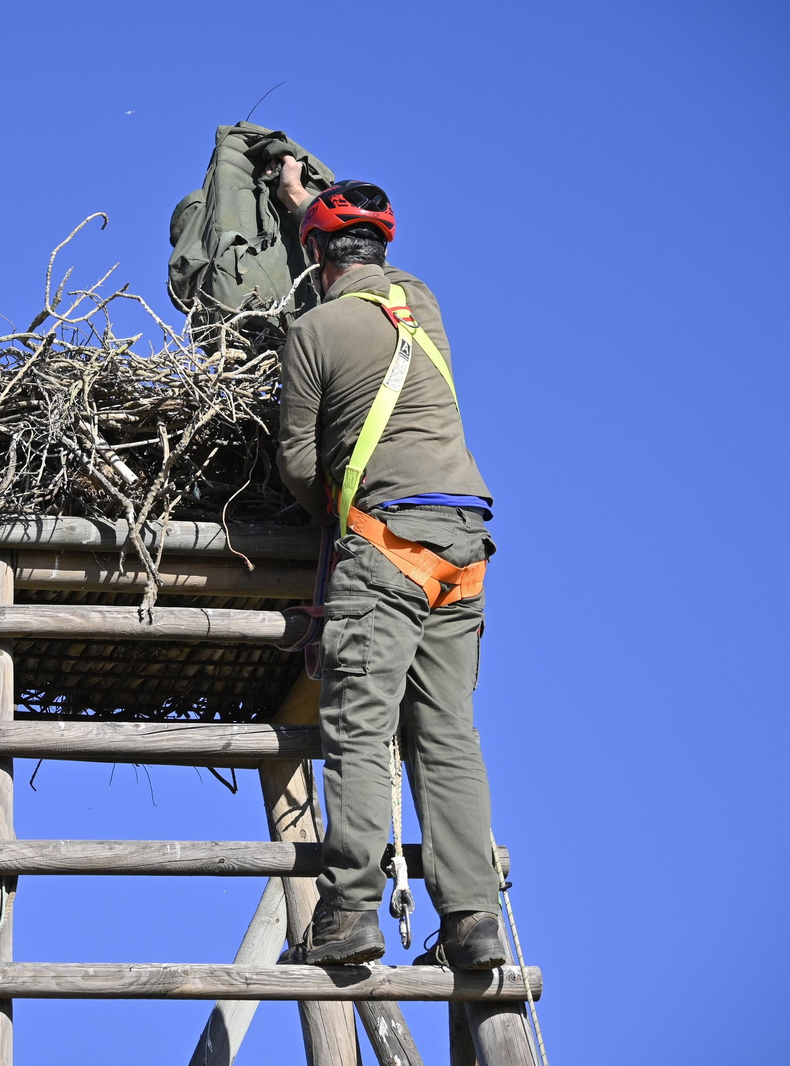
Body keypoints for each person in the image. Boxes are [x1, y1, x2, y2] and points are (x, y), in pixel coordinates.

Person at [271, 159, 506, 970]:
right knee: (447, 737)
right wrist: (311, 206)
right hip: (466, 551)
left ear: (314, 260)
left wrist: (338, 507)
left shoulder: (313, 333)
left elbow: (299, 466)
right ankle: (475, 923)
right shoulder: (424, 306)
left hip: (384, 550)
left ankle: (349, 913)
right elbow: (361, 256)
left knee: (360, 732)